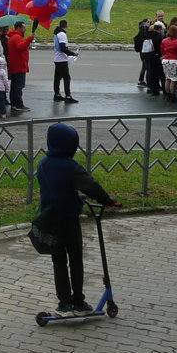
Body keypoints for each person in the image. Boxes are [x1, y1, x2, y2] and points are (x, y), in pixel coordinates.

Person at [36, 122, 119, 315]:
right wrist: (108, 201)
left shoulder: (43, 163)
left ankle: (64, 302)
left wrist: (73, 194)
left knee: (58, 261)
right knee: (75, 259)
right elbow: (91, 186)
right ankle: (78, 300)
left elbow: (55, 187)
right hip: (69, 219)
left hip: (49, 218)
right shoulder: (71, 166)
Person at [6, 21, 33, 113]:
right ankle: (18, 104)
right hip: (19, 65)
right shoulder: (17, 37)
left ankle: (14, 103)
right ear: (19, 28)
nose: (25, 29)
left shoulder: (13, 37)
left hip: (15, 65)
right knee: (18, 86)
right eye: (24, 27)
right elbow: (20, 47)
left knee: (14, 85)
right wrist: (29, 39)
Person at [52, 20, 78, 104]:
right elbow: (63, 48)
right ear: (66, 26)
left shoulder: (56, 34)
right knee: (67, 78)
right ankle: (68, 96)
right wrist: (73, 53)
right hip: (62, 59)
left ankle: (57, 94)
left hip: (57, 58)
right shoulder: (62, 34)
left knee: (57, 78)